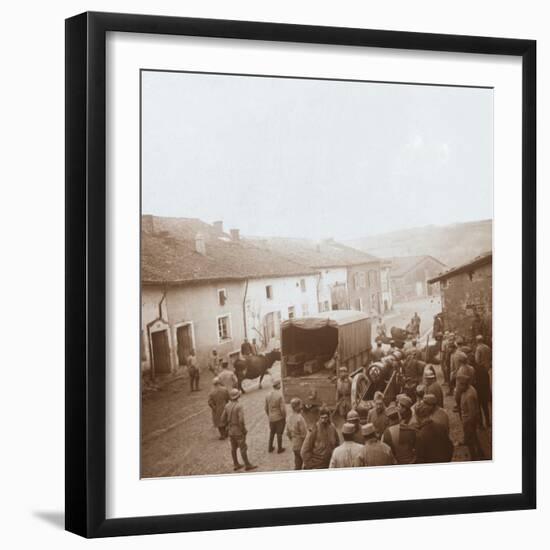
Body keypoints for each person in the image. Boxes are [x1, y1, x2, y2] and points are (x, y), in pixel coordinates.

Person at [220, 389, 257, 471]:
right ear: (238, 396)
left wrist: (228, 425)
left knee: (233, 448)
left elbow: (222, 419)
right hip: (238, 430)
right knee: (243, 447)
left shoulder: (227, 406)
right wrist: (243, 430)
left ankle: (236, 464)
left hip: (231, 430)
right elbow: (241, 420)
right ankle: (247, 465)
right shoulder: (239, 406)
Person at [457, 368, 484, 460]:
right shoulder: (468, 390)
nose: (459, 387)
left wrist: (468, 425)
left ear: (465, 384)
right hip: (468, 420)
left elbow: (472, 413)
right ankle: (480, 452)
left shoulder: (469, 395)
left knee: (470, 440)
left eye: (460, 385)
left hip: (469, 421)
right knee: (474, 437)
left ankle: (473, 456)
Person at [383, 394, 417, 464]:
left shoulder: (412, 422)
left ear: (404, 409)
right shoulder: (402, 417)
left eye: (399, 407)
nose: (397, 408)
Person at [265, 379, 286, 453]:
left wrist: (269, 415)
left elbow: (266, 408)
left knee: (272, 432)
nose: (280, 385)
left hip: (271, 418)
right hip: (279, 417)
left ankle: (270, 447)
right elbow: (282, 409)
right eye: (279, 384)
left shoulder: (268, 395)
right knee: (279, 433)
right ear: (277, 386)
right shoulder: (280, 395)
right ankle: (279, 449)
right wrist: (284, 416)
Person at [286, 398, 308, 470]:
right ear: (297, 407)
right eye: (300, 405)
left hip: (294, 445)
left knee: (297, 464)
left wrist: (293, 439)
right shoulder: (300, 418)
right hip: (301, 445)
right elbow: (304, 434)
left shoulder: (288, 418)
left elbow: (288, 433)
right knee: (308, 464)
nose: (301, 407)